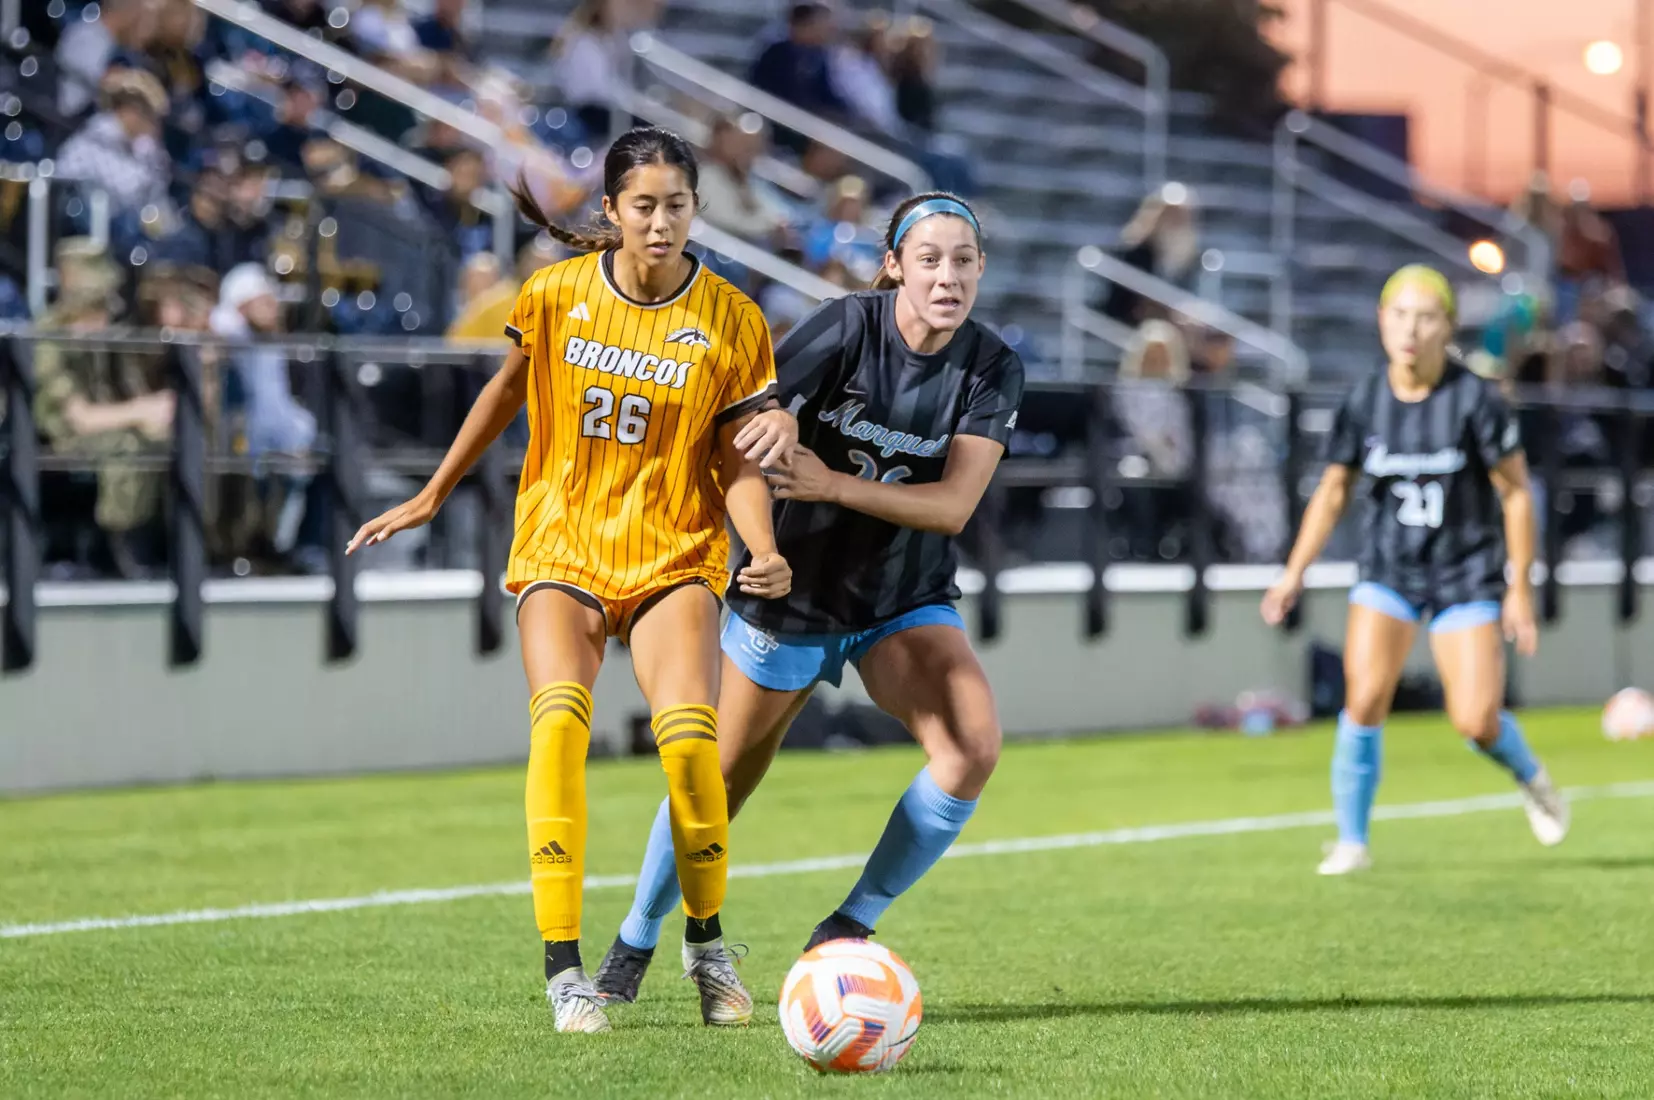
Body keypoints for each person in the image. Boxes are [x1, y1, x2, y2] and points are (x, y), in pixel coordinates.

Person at [345, 126, 799, 1034]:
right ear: (612, 210)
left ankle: (707, 946)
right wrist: (433, 492)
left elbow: (737, 455)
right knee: (558, 728)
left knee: (688, 746)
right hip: (563, 543)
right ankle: (564, 971)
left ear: (697, 208)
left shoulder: (735, 318)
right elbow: (505, 391)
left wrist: (761, 545)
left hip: (674, 548)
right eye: (644, 205)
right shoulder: (555, 294)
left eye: (677, 205)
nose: (661, 222)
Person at [591, 191, 1024, 1003]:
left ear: (980, 270)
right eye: (929, 259)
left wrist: (832, 483)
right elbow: (743, 412)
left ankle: (849, 927)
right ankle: (635, 941)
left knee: (971, 746)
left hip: (901, 599)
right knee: (717, 784)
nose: (948, 277)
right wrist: (775, 429)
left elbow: (953, 507)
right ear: (894, 265)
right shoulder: (846, 326)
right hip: (790, 594)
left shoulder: (992, 365)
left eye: (964, 261)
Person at [1260, 265, 1569, 877]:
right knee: (1364, 698)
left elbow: (1514, 493)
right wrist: (1293, 572)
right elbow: (1333, 490)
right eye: (1399, 315)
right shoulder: (1364, 400)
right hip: (1389, 569)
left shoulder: (1475, 399)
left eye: (1425, 317)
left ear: (1447, 327)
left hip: (1465, 571)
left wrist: (1520, 587)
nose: (1410, 330)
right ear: (1381, 321)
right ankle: (1352, 841)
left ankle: (1530, 774)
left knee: (1475, 719)